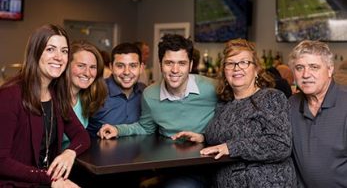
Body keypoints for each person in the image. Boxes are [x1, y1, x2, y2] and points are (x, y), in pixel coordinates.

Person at [172, 38, 296, 187]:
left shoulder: (270, 97)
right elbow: (225, 137)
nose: (237, 68)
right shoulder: (224, 105)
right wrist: (202, 138)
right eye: (230, 63)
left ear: (256, 69)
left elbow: (281, 144)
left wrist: (231, 148)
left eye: (244, 62)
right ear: (225, 71)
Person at [99, 34, 217, 188]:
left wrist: (204, 137)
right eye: (169, 63)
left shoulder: (213, 88)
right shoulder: (150, 94)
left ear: (190, 65)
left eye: (181, 63)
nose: (175, 70)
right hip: (174, 169)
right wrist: (117, 129)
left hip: (212, 164)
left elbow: (235, 121)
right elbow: (145, 127)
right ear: (160, 64)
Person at [0, 24, 90, 187]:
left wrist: (69, 153)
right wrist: (50, 179)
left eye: (64, 51)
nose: (58, 57)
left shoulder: (57, 94)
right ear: (35, 52)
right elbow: (1, 161)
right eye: (50, 49)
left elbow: (81, 135)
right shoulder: (9, 96)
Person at [288, 40, 347, 187]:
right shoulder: (290, 105)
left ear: (330, 70)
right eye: (299, 68)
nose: (306, 74)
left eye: (314, 67)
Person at [87, 43, 146, 137]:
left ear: (141, 68)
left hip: (137, 150)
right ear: (111, 67)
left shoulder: (145, 93)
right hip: (98, 149)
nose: (126, 72)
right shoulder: (95, 91)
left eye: (133, 66)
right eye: (120, 66)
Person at [62, 40, 107, 149]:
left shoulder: (86, 99)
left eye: (92, 67)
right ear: (67, 66)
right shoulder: (52, 97)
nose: (87, 73)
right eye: (81, 66)